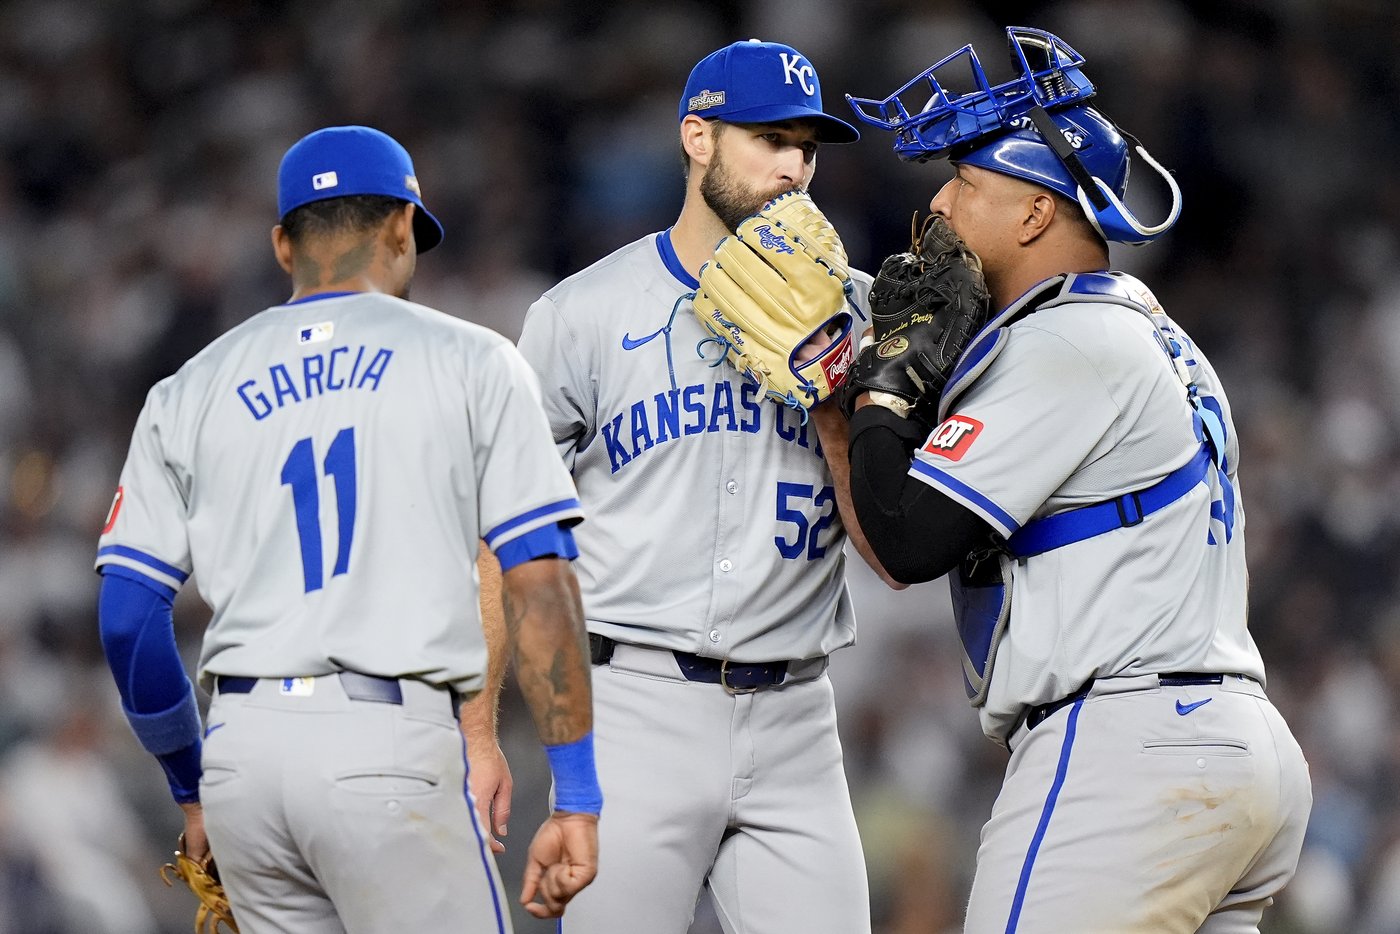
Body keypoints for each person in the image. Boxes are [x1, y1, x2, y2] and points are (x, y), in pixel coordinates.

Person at [841, 28, 1312, 932]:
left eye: (964, 181)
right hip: (1222, 741)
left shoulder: (1064, 342)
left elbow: (906, 538)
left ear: (1033, 213)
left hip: (1128, 752)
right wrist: (858, 396)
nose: (938, 203)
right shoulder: (1144, 331)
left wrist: (882, 387)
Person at [94, 125, 600, 933]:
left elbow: (127, 621)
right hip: (386, 746)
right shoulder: (473, 360)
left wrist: (192, 787)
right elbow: (538, 582)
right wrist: (575, 792)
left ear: (282, 245)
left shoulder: (188, 388)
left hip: (243, 756)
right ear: (402, 227)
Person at [507, 40, 885, 934]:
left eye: (807, 147)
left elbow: (894, 553)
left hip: (798, 716)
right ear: (698, 137)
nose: (794, 168)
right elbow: (508, 536)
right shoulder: (583, 314)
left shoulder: (865, 316)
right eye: (770, 140)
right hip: (636, 705)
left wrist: (839, 401)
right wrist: (490, 732)